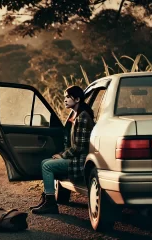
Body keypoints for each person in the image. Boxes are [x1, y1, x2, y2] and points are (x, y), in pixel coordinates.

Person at [30, 85, 95, 214]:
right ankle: (47, 198)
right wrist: (62, 154)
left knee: (47, 166)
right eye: (65, 97)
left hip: (81, 161)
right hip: (76, 157)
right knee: (45, 162)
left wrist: (63, 155)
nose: (65, 99)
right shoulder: (78, 115)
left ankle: (50, 204)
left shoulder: (82, 117)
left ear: (77, 99)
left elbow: (80, 146)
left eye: (68, 97)